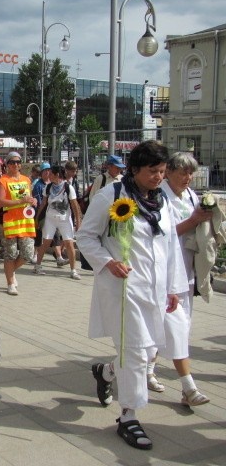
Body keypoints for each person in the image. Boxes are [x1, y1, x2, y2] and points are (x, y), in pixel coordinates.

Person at [77, 140, 187, 451]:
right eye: (153, 171)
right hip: (123, 289)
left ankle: (106, 371)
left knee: (147, 349)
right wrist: (107, 262)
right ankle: (129, 415)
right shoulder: (111, 196)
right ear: (135, 169)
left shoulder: (161, 201)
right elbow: (85, 235)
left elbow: (169, 247)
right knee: (136, 351)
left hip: (155, 289)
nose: (159, 177)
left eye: (163, 172)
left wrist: (173, 287)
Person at [145, 152, 211, 405]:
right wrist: (194, 221)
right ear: (168, 171)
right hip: (164, 270)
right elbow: (161, 232)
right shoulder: (159, 196)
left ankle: (146, 370)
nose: (188, 178)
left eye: (191, 173)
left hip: (187, 268)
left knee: (178, 326)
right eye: (182, 172)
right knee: (169, 326)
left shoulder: (191, 196)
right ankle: (187, 387)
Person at [0, 152, 37, 295]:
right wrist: (20, 201)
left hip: (25, 220)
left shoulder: (26, 180)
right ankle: (10, 283)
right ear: (7, 165)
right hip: (9, 221)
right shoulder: (3, 180)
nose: (16, 165)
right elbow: (0, 202)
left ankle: (10, 271)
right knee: (11, 254)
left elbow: (27, 196)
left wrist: (32, 201)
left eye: (18, 162)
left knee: (28, 253)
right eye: (12, 162)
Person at [33, 165, 82, 279]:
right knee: (46, 242)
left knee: (69, 243)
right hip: (50, 219)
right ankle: (38, 266)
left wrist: (78, 222)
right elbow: (44, 204)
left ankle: (73, 270)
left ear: (57, 175)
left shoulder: (68, 188)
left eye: (51, 173)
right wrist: (37, 218)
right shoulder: (48, 187)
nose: (48, 175)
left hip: (65, 220)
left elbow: (75, 206)